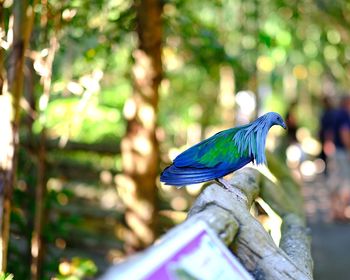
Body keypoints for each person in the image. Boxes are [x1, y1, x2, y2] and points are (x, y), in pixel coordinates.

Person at [327, 95, 350, 221]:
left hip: (336, 150)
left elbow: (329, 133)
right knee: (344, 182)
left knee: (335, 180)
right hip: (342, 151)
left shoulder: (337, 114)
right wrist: (348, 149)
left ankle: (335, 210)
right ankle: (341, 211)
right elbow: (344, 133)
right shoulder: (344, 115)